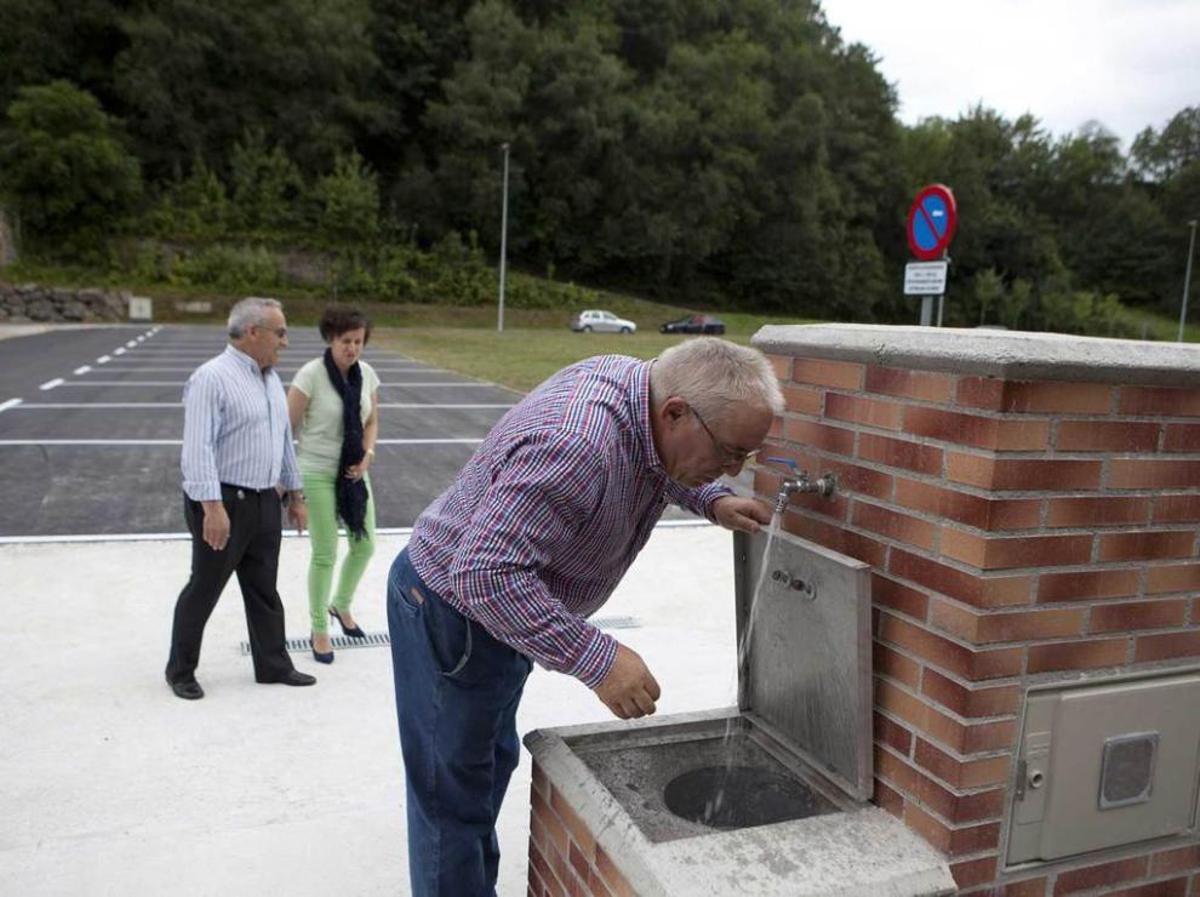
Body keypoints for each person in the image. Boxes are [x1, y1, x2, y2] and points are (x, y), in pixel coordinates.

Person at [386, 336, 784, 896]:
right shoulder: (578, 445)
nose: (735, 466)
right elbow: (484, 575)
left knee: (481, 768)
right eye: (729, 452)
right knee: (449, 802)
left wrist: (711, 498)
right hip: (455, 615)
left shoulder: (641, 391)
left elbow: (656, 455)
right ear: (676, 412)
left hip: (496, 618)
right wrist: (597, 659)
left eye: (744, 457)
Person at [165, 296, 315, 700]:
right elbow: (197, 450)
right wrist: (212, 508)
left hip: (265, 501)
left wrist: (295, 494)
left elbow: (283, 441)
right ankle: (180, 670)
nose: (285, 342)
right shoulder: (211, 378)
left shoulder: (268, 379)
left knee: (264, 589)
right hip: (224, 504)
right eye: (280, 333)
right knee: (205, 586)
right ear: (253, 333)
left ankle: (273, 665)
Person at [287, 306, 380, 664]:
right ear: (331, 338)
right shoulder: (310, 376)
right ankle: (318, 629)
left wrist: (368, 454)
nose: (352, 348)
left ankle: (340, 605)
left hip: (355, 473)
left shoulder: (367, 375)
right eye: (346, 341)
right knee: (325, 553)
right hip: (316, 470)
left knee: (365, 545)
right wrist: (290, 485)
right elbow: (286, 428)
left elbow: (371, 420)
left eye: (358, 342)